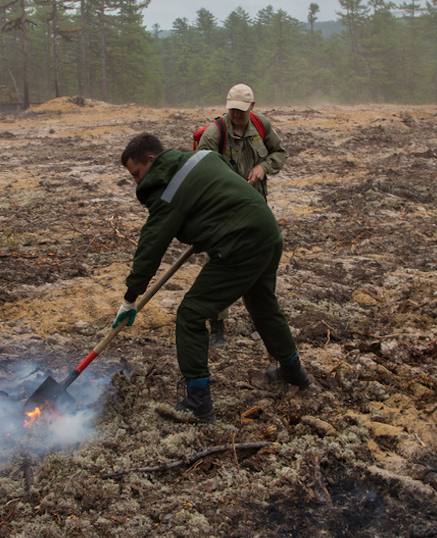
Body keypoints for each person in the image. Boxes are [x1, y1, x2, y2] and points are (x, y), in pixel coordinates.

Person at [116, 132, 311, 422]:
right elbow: (221, 188)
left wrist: (130, 298)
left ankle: (198, 401)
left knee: (191, 313)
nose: (137, 182)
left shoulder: (168, 193)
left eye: (137, 173)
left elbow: (151, 246)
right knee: (263, 304)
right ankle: (294, 372)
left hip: (241, 244)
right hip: (267, 230)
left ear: (151, 160)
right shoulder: (202, 157)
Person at [194, 83, 288, 347]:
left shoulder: (262, 126)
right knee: (219, 265)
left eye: (241, 110)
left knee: (259, 263)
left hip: (256, 212)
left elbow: (280, 153)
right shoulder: (214, 135)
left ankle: (261, 321)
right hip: (223, 214)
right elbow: (199, 175)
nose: (236, 114)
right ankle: (217, 328)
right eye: (232, 109)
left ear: (252, 107)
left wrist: (263, 166)